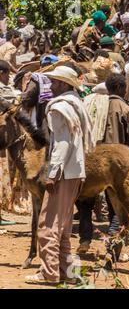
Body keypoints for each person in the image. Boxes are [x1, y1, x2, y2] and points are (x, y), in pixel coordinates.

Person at [25, 66, 94, 284]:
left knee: (48, 225)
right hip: (76, 171)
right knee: (63, 226)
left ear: (64, 84)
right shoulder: (76, 104)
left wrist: (53, 174)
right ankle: (68, 273)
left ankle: (49, 272)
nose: (51, 86)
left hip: (63, 173)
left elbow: (61, 145)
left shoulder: (58, 108)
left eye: (55, 82)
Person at [76, 73, 129, 253]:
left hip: (91, 160)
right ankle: (113, 240)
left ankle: (85, 240)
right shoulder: (125, 108)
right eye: (125, 87)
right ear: (120, 88)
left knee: (85, 203)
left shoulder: (93, 104)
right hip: (115, 164)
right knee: (117, 206)